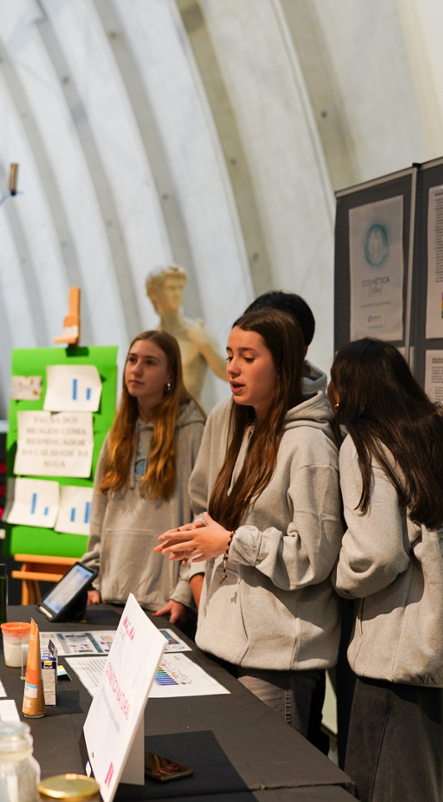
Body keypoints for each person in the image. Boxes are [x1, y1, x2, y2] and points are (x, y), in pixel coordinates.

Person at [156, 308, 343, 738]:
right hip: (223, 642)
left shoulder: (309, 445)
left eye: (248, 357)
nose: (232, 368)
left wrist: (229, 543)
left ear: (283, 365)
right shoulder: (246, 429)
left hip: (276, 659)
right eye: (229, 355)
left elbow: (313, 555)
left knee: (270, 770)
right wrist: (200, 542)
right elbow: (221, 518)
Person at [328, 338, 443, 802]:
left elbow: (377, 553)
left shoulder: (364, 444)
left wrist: (339, 580)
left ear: (347, 389)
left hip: (400, 658)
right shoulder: (436, 443)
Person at [80, 330, 205, 624]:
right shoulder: (118, 433)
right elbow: (99, 513)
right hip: (111, 594)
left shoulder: (192, 432)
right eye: (132, 360)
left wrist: (183, 592)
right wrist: (91, 576)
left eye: (150, 362)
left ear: (170, 375)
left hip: (164, 601)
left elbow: (202, 518)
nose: (136, 370)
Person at [146, 266, 227, 403]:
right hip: (160, 415)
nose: (177, 294)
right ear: (153, 294)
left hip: (192, 413)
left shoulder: (197, 331)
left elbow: (229, 374)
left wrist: (205, 345)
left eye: (180, 288)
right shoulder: (151, 341)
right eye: (171, 288)